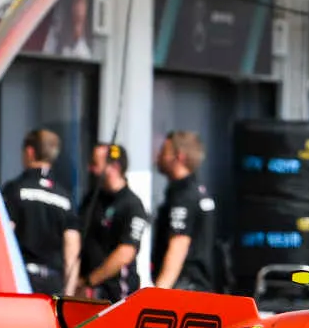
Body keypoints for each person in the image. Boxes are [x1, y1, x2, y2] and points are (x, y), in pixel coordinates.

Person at [1, 129, 83, 297]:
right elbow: (72, 249)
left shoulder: (15, 189)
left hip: (23, 278)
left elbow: (6, 237)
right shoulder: (65, 197)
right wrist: (68, 294)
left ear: (30, 152)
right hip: (53, 283)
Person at [77, 142, 148, 301]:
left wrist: (89, 281)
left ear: (114, 167)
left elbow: (125, 253)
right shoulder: (91, 200)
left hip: (117, 294)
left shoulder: (132, 204)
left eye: (95, 164)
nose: (91, 169)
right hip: (85, 291)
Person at [151, 129, 219, 291]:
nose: (159, 156)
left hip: (185, 288)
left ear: (179, 157)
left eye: (164, 151)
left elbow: (179, 245)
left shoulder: (184, 196)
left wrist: (158, 294)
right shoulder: (198, 190)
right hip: (199, 286)